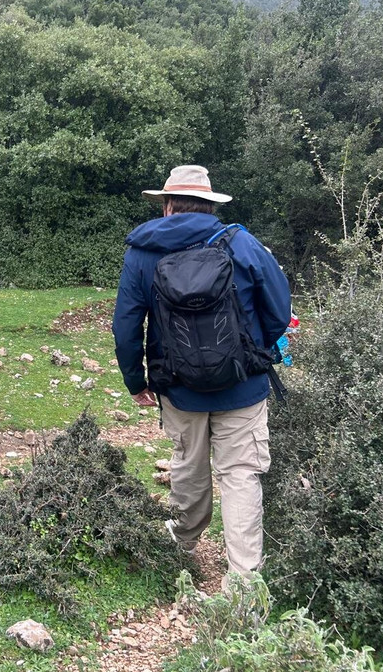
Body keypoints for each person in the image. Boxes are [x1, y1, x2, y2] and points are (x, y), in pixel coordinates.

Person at [111, 165, 291, 582]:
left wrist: (136, 381)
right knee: (241, 477)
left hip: (178, 387)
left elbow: (125, 325)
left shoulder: (141, 252)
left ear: (167, 206)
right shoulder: (241, 243)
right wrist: (252, 354)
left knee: (188, 465)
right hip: (243, 388)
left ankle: (181, 544)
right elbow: (280, 312)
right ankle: (245, 586)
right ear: (211, 205)